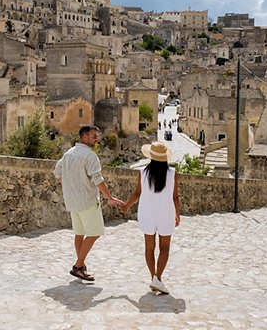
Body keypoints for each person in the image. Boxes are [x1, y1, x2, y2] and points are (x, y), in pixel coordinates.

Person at [54, 125, 124, 282]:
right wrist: (110, 197)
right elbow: (97, 179)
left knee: (79, 233)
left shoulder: (68, 153)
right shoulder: (90, 156)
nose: (97, 139)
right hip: (87, 201)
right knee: (94, 233)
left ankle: (82, 267)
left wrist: (70, 186)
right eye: (94, 136)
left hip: (72, 200)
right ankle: (78, 266)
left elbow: (57, 172)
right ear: (84, 137)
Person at [122, 141, 180, 294]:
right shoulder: (172, 173)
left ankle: (153, 277)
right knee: (164, 248)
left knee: (149, 248)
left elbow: (137, 193)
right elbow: (175, 197)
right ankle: (158, 278)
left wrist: (127, 205)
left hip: (146, 213)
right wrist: (177, 213)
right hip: (165, 213)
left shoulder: (142, 172)